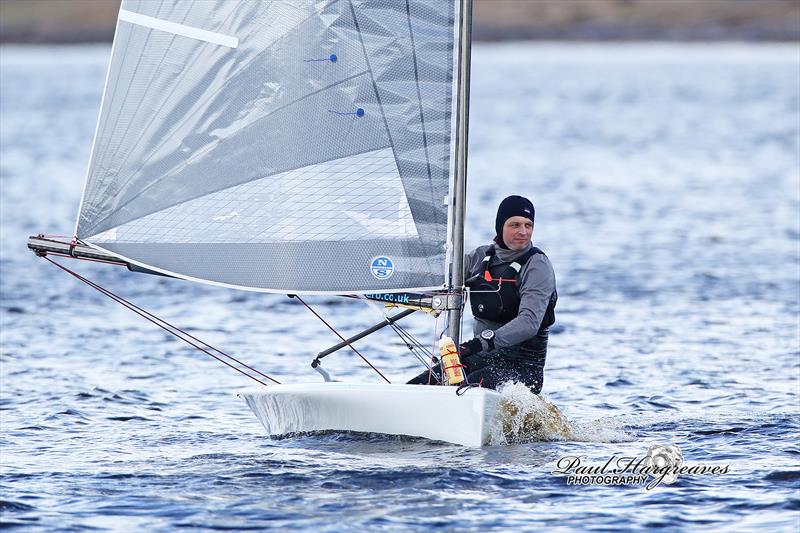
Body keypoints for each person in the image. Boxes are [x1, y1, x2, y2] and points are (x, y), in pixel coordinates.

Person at [408, 195, 557, 393]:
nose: (523, 232)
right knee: (419, 387)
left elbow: (529, 322)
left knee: (469, 387)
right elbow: (437, 280)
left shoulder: (537, 266)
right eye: (515, 225)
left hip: (523, 369)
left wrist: (481, 342)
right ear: (499, 227)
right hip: (481, 358)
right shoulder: (480, 258)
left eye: (528, 225)